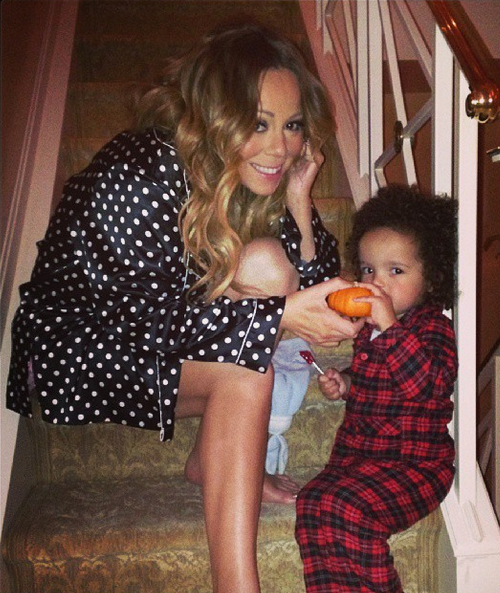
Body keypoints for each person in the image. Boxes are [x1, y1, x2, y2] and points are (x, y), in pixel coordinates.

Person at [6, 23, 364, 593]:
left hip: (163, 334)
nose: (280, 148)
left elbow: (312, 285)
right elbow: (138, 322)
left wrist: (300, 201)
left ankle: (213, 459)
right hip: (78, 349)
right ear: (216, 115)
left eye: (292, 125)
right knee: (247, 367)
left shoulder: (261, 176)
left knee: (269, 266)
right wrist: (277, 319)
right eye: (258, 123)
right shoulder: (138, 167)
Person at [295, 184, 459, 593]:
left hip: (414, 466)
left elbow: (425, 387)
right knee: (313, 502)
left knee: (349, 510)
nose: (376, 283)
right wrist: (346, 383)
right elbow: (376, 383)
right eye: (368, 270)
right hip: (359, 459)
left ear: (431, 276)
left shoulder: (433, 328)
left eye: (395, 271)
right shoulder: (369, 330)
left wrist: (388, 326)